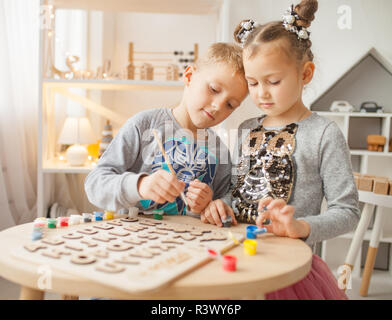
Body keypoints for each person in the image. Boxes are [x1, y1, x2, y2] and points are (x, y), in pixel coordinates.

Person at [202, 0, 360, 299]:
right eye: (252, 83)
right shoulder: (248, 127)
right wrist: (219, 203)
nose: (261, 93)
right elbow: (236, 190)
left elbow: (348, 211)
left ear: (305, 74)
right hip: (236, 256)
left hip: (287, 270)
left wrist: (299, 226)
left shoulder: (324, 133)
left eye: (273, 81)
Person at [85, 43, 248, 220]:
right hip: (133, 240)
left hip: (192, 243)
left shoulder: (220, 150)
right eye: (214, 89)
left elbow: (227, 198)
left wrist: (212, 205)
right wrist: (140, 185)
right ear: (189, 76)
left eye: (230, 105)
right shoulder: (144, 125)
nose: (218, 106)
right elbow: (95, 185)